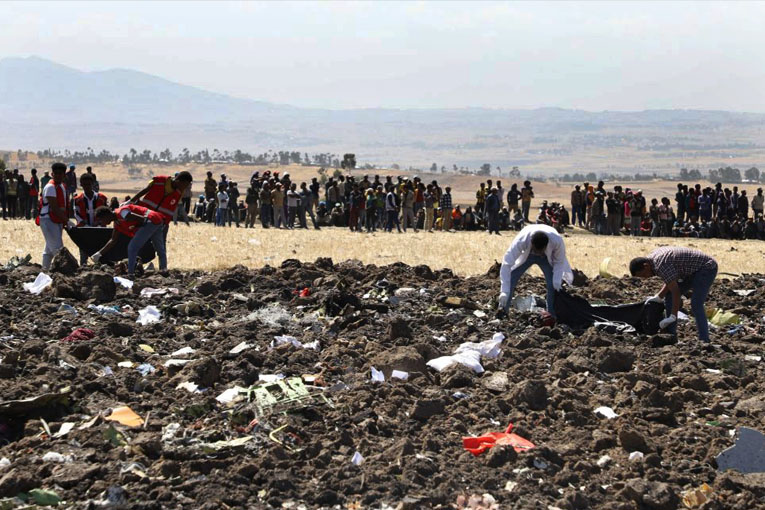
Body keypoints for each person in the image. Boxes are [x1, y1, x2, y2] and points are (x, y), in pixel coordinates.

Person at [629, 247, 718, 343]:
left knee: (696, 304)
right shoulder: (652, 260)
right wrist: (659, 296)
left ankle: (704, 340)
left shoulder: (660, 266)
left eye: (643, 275)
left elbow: (676, 292)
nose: (646, 278)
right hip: (690, 270)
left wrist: (673, 316)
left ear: (646, 266)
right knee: (669, 296)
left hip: (706, 267)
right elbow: (670, 279)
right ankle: (671, 335)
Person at [497, 224, 573, 318]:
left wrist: (556, 281)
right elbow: (507, 263)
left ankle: (551, 315)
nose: (538, 254)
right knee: (512, 279)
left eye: (540, 251)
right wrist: (504, 291)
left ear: (546, 246)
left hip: (546, 258)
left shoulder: (556, 241)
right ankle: (503, 311)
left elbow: (559, 262)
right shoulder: (522, 240)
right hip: (528, 255)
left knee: (552, 285)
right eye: (536, 250)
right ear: (531, 243)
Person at [130, 171, 193, 271]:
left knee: (161, 247)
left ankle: (163, 270)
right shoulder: (159, 181)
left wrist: (165, 224)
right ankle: (134, 266)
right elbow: (145, 190)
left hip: (161, 223)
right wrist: (131, 202)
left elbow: (171, 209)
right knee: (139, 243)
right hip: (144, 218)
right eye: (184, 185)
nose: (184, 188)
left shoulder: (179, 193)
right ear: (178, 181)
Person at [92, 204, 165, 277]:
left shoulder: (121, 213)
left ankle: (130, 274)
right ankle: (164, 270)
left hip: (150, 220)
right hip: (157, 220)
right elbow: (113, 240)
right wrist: (99, 254)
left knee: (132, 248)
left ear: (106, 216)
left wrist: (136, 226)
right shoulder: (117, 223)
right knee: (160, 249)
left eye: (101, 220)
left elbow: (142, 219)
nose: (101, 223)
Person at [38, 163, 71, 270]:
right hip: (48, 220)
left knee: (49, 250)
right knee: (58, 250)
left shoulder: (61, 186)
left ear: (64, 175)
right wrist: (67, 221)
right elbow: (55, 208)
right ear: (52, 174)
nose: (57, 176)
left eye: (60, 173)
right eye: (55, 173)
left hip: (57, 220)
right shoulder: (50, 187)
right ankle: (61, 273)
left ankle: (45, 270)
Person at [73, 173, 109, 264]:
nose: (87, 187)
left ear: (92, 184)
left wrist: (100, 224)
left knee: (101, 254)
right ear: (81, 185)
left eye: (88, 184)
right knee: (83, 254)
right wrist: (86, 225)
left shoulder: (102, 198)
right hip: (84, 231)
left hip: (100, 230)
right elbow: (76, 214)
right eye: (84, 185)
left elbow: (106, 213)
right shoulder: (77, 199)